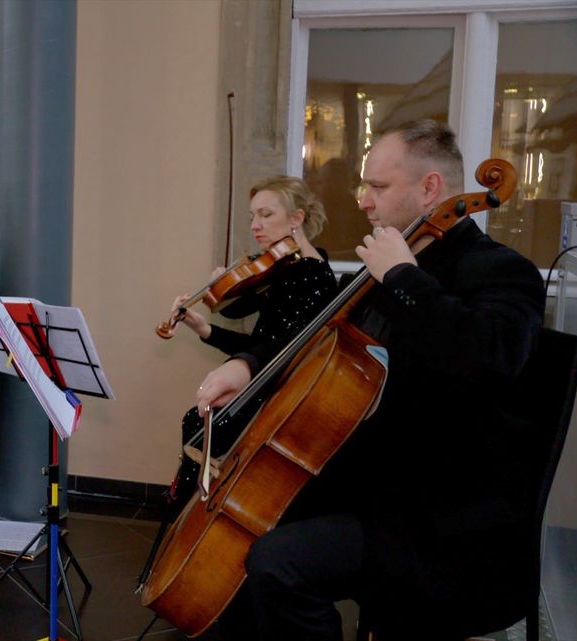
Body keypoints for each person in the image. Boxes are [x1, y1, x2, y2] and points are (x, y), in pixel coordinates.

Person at [200, 120, 545, 640]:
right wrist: (246, 364)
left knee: (277, 561)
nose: (363, 201)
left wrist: (404, 278)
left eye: (377, 187)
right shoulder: (391, 260)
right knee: (240, 541)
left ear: (430, 188)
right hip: (375, 481)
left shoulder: (497, 269)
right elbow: (320, 339)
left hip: (443, 516)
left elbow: (492, 355)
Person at [163, 176, 337, 509]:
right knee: (198, 420)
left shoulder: (311, 275)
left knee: (200, 422)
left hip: (280, 400)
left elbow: (283, 353)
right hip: (265, 385)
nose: (255, 226)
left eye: (266, 215)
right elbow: (261, 344)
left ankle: (191, 516)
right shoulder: (287, 268)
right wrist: (204, 329)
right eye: (253, 216)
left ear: (297, 218)